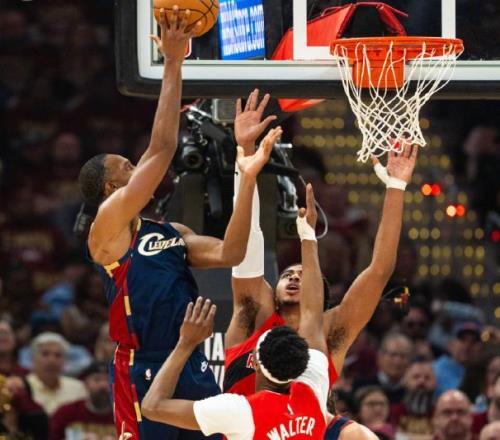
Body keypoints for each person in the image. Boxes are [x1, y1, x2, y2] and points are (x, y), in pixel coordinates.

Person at [78, 8, 280, 440]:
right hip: (143, 364)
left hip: (192, 356)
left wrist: (247, 173)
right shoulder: (106, 229)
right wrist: (173, 62)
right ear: (111, 187)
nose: (138, 168)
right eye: (128, 166)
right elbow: (162, 148)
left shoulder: (169, 233)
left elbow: (231, 252)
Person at [224, 103, 418, 396]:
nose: (293, 277)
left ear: (322, 295)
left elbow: (379, 271)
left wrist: (396, 187)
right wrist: (246, 158)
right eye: (288, 274)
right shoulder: (253, 316)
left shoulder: (333, 331)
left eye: (302, 276)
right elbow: (247, 247)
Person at [141, 186, 331, 439]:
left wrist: (186, 343)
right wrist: (307, 236)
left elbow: (151, 407)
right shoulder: (311, 391)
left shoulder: (242, 411)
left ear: (256, 364)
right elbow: (313, 314)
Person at [25, 332, 87, 416]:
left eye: (58, 355)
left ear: (65, 361)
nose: (52, 360)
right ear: (33, 358)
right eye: (45, 354)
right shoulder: (23, 387)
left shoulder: (78, 388)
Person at [49, 361, 115, 440]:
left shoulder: (124, 415)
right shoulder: (66, 413)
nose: (103, 385)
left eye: (108, 380)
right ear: (86, 383)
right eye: (96, 380)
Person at [353, 333, 414, 404]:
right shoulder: (362, 385)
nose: (397, 361)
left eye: (403, 356)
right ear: (380, 357)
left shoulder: (413, 390)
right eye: (393, 355)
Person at [433, 321, 482, 397]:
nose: (467, 346)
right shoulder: (435, 370)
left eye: (473, 341)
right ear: (451, 344)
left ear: (481, 348)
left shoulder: (483, 372)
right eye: (462, 340)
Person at [391, 358, 437, 437]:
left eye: (427, 378)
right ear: (405, 381)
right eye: (416, 377)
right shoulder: (394, 411)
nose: (421, 381)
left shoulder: (441, 412)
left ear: (435, 382)